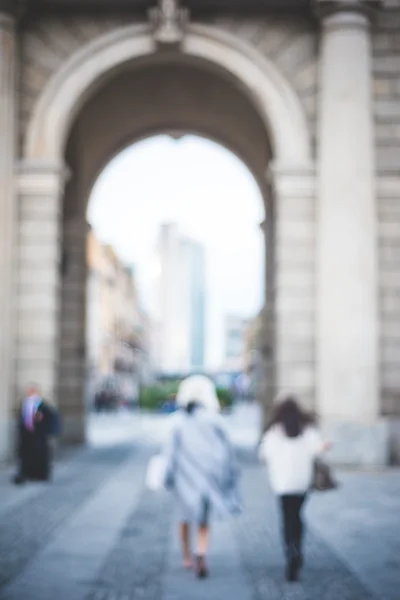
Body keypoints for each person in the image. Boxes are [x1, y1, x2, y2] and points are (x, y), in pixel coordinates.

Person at [162, 375, 241, 579]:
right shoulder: (215, 420)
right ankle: (201, 551)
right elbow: (228, 451)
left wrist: (167, 475)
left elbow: (169, 452)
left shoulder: (178, 421)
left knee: (184, 516)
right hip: (209, 475)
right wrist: (228, 474)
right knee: (204, 518)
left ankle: (187, 556)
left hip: (184, 476)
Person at [259, 396, 330, 582]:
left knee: (286, 517)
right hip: (301, 483)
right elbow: (318, 450)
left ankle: (290, 549)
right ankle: (297, 546)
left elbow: (263, 454)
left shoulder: (274, 432)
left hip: (282, 484)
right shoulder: (307, 431)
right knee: (297, 515)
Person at [13, 383, 60, 485]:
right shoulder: (24, 403)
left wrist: (47, 428)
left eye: (32, 390)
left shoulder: (42, 405)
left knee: (40, 455)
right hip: (27, 435)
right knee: (26, 455)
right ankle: (26, 474)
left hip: (39, 435)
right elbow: (21, 418)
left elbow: (50, 418)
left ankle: (40, 475)